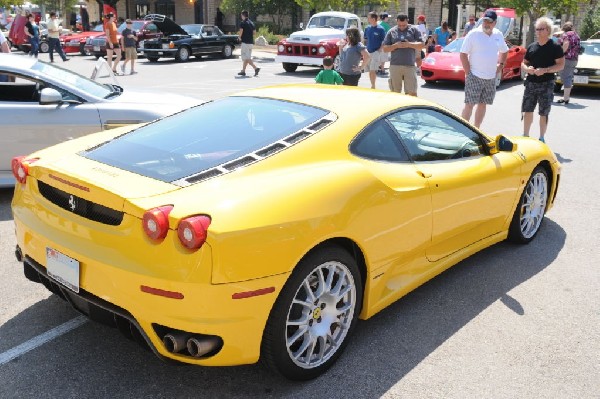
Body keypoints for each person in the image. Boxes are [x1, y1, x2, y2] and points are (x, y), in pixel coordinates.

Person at [459, 9, 508, 129]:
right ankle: (463, 130)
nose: (486, 23)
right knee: (469, 104)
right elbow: (463, 54)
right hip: (474, 75)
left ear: (495, 23)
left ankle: (476, 129)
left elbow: (504, 50)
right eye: (484, 21)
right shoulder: (473, 34)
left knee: (483, 105)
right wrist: (468, 72)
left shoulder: (498, 34)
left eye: (489, 22)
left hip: (490, 77)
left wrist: (501, 65)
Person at [521, 17, 564, 142]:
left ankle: (541, 137)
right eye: (537, 29)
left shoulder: (555, 47)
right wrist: (527, 69)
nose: (538, 31)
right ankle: (525, 135)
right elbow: (523, 63)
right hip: (531, 83)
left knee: (543, 112)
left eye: (541, 29)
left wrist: (545, 70)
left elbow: (561, 65)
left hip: (547, 83)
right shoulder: (532, 46)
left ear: (548, 30)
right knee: (527, 109)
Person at [383, 14, 423, 96]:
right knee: (395, 93)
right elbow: (385, 49)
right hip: (395, 66)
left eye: (404, 25)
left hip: (410, 65)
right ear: (396, 21)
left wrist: (409, 44)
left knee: (412, 93)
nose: (401, 27)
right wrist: (395, 46)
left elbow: (421, 45)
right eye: (399, 25)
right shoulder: (391, 31)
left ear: (407, 21)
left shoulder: (414, 30)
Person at [557, 22, 581, 104]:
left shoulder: (566, 35)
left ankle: (566, 98)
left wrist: (560, 54)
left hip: (566, 58)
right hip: (574, 59)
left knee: (565, 77)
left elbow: (566, 44)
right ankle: (566, 96)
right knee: (568, 76)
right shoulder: (576, 35)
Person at [364, 11, 386, 89]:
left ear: (373, 19)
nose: (368, 19)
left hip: (376, 52)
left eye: (369, 17)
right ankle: (372, 84)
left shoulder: (381, 29)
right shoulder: (367, 28)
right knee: (369, 70)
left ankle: (373, 86)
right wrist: (364, 49)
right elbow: (365, 39)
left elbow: (384, 41)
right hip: (368, 52)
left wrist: (379, 50)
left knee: (373, 70)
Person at [237, 10, 259, 76]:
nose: (241, 17)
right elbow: (254, 33)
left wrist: (239, 37)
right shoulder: (252, 23)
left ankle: (256, 68)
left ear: (243, 15)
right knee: (247, 57)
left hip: (245, 43)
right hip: (251, 43)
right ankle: (243, 71)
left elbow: (241, 31)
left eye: (241, 15)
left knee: (246, 58)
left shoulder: (243, 23)